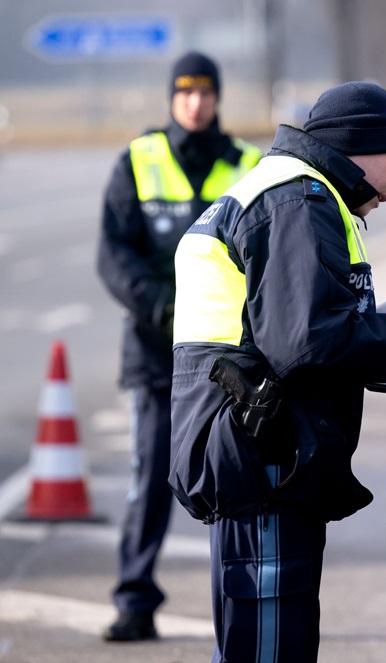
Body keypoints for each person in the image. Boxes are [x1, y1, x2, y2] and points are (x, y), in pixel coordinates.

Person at [168, 81, 386, 662]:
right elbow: (306, 342)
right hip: (264, 461)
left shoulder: (294, 195)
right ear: (355, 145)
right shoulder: (298, 200)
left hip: (260, 455)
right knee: (271, 651)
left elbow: (298, 326)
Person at [96, 51, 262, 642]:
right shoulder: (139, 162)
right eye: (185, 92)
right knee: (151, 480)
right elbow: (114, 256)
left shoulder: (247, 164)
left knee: (233, 481)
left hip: (227, 361)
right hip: (153, 356)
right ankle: (135, 599)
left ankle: (245, 601)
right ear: (172, 97)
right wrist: (162, 309)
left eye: (206, 92)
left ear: (218, 97)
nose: (196, 102)